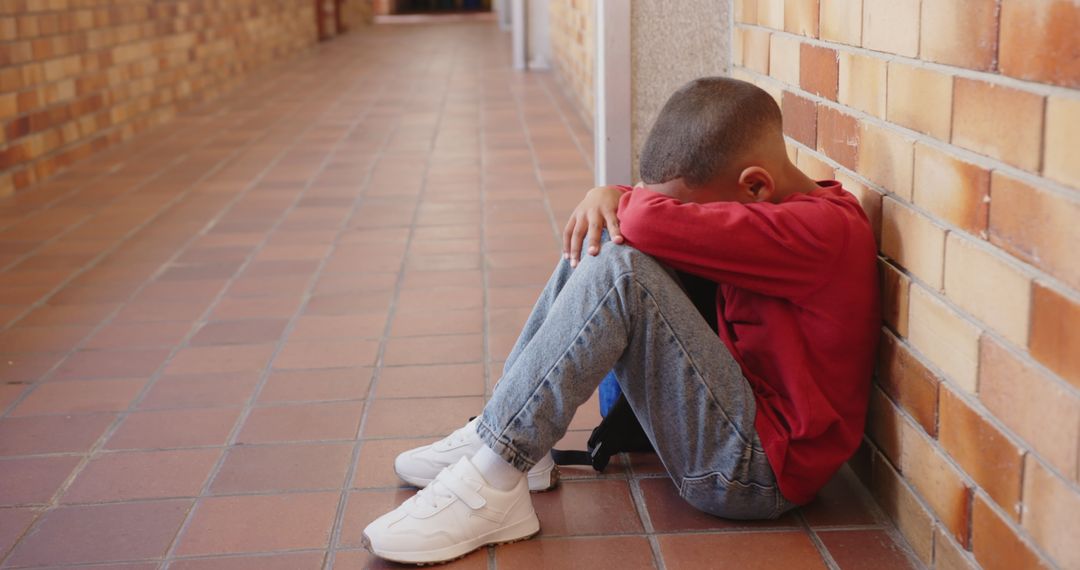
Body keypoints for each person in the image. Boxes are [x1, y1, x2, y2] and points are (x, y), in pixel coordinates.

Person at [361, 77, 880, 565]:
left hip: (755, 473)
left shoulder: (821, 232)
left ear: (756, 187)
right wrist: (610, 200)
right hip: (738, 424)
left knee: (620, 262)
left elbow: (647, 218)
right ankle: (511, 437)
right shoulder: (777, 211)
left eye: (689, 211)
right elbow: (643, 219)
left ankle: (494, 480)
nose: (682, 217)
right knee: (608, 234)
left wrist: (612, 193)